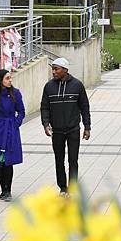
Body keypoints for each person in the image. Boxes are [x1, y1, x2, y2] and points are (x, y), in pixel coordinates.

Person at [40, 57, 91, 197]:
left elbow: (84, 107)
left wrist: (87, 127)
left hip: (73, 129)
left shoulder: (77, 85)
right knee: (59, 159)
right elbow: (44, 107)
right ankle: (63, 188)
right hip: (57, 131)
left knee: (73, 160)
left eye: (56, 69)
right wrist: (45, 123)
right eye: (53, 69)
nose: (53, 72)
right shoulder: (49, 86)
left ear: (65, 70)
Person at [0, 69, 26, 202]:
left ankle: (8, 190)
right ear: (0, 80)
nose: (10, 81)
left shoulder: (15, 93)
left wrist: (16, 123)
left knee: (8, 160)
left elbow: (21, 111)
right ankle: (3, 189)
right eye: (7, 78)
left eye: (10, 78)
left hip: (11, 128)